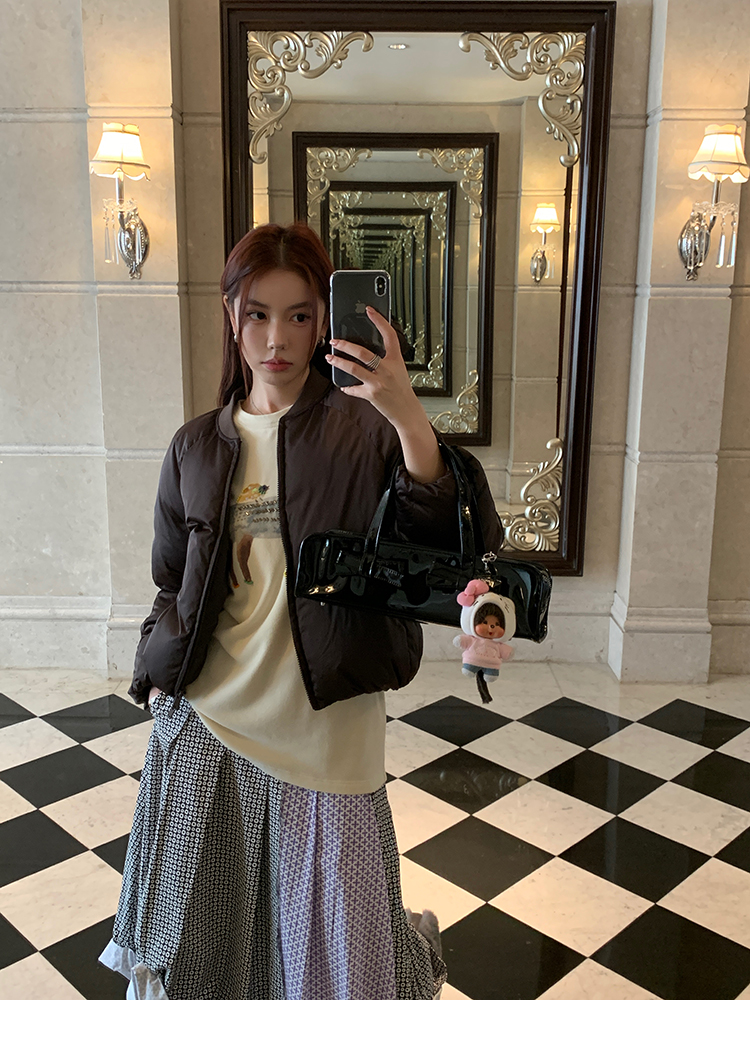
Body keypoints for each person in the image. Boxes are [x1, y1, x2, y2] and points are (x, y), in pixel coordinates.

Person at [99, 222, 503, 1000]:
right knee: (202, 949)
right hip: (206, 721)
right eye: (257, 314)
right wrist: (156, 675)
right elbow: (172, 580)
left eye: (299, 315)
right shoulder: (195, 445)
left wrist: (407, 413)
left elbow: (450, 535)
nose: (276, 338)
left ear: (324, 322)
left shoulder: (366, 430)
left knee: (340, 961)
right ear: (231, 315)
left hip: (327, 729)